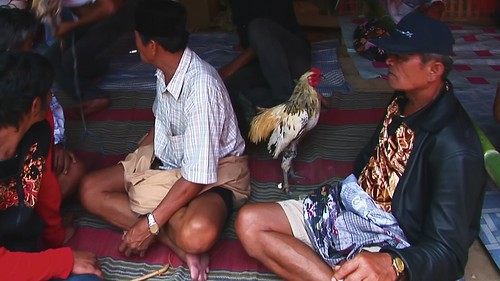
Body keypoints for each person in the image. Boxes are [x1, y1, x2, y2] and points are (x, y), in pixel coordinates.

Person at [235, 11, 486, 281]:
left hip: (395, 237)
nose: (388, 60)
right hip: (351, 206)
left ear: (434, 70)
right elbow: (369, 157)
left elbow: (449, 253)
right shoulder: (402, 98)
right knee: (249, 223)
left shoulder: (457, 150)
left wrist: (394, 264)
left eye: (400, 57)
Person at [79, 1, 250, 281]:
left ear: (152, 45)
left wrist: (149, 224)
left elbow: (197, 175)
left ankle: (170, 229)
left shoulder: (201, 88)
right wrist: (137, 163)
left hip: (216, 172)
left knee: (196, 234)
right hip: (171, 158)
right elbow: (161, 123)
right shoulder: (166, 69)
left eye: (136, 36)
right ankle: (178, 246)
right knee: (89, 189)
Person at [0, 51, 103, 280]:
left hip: (24, 251)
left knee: (89, 276)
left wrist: (55, 239)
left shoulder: (39, 131)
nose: (53, 98)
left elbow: (45, 190)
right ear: (36, 104)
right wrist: (63, 260)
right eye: (50, 92)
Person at [0, 6, 86, 199]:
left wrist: (56, 144)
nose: (33, 51)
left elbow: (50, 109)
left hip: (27, 154)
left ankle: (27, 215)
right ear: (10, 51)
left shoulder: (30, 77)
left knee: (71, 170)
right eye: (29, 45)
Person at [218, 0, 311, 136]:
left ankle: (287, 108)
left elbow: (265, 39)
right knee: (226, 88)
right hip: (262, 63)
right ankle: (269, 114)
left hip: (291, 57)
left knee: (258, 27)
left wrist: (231, 68)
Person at [42, 0, 137, 116]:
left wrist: (71, 26)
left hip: (115, 16)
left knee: (71, 60)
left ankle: (96, 96)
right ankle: (97, 69)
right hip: (87, 21)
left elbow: (110, 8)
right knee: (51, 58)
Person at [354, 0, 445, 61]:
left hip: (411, 31)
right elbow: (384, 12)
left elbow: (436, 8)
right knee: (372, 44)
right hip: (385, 25)